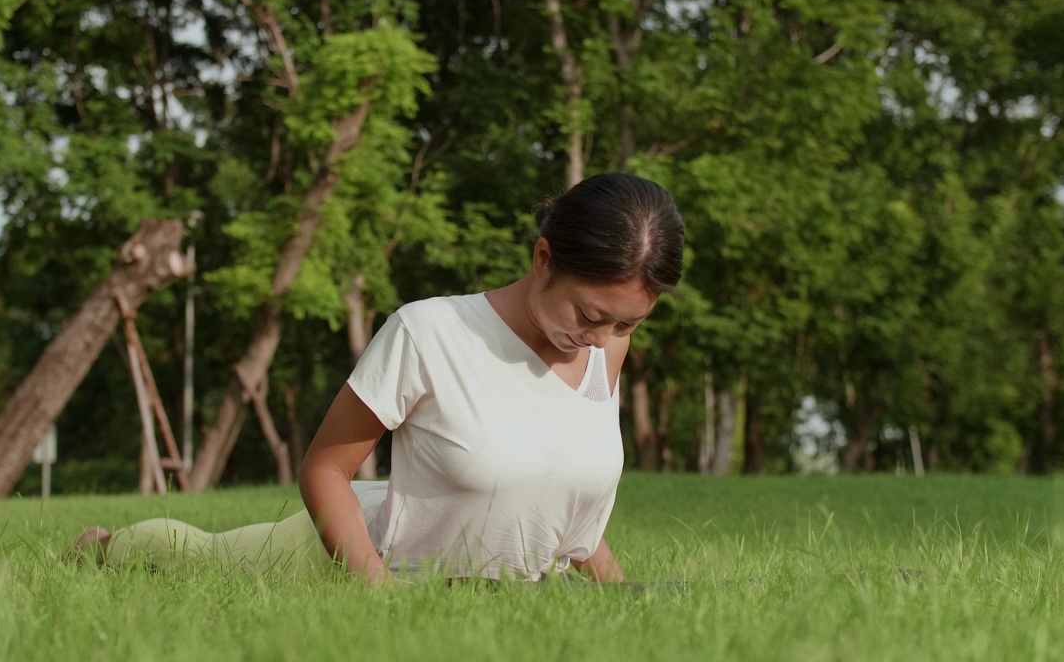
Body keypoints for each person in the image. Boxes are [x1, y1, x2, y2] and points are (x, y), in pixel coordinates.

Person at [66, 173, 685, 585]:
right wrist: (377, 593)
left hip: (479, 592)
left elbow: (566, 500)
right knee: (197, 556)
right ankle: (104, 545)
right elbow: (324, 469)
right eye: (591, 316)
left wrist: (619, 597)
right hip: (345, 553)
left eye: (626, 326)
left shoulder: (602, 350)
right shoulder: (431, 332)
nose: (602, 340)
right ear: (543, 258)